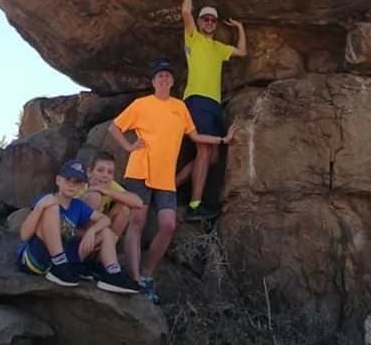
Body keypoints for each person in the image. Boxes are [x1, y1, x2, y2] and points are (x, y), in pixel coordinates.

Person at [107, 58, 236, 303]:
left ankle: (147, 276)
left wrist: (222, 141)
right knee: (137, 221)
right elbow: (114, 127)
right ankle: (135, 280)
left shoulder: (180, 107)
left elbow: (195, 135)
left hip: (165, 177)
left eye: (167, 75)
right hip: (141, 170)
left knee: (168, 224)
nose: (164, 79)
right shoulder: (141, 104)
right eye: (159, 76)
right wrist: (129, 146)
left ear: (172, 81)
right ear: (153, 81)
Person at [17, 159, 140, 294]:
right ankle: (59, 264)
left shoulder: (77, 205)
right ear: (58, 180)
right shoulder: (47, 200)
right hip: (36, 259)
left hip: (64, 261)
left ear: (82, 186)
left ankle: (112, 272)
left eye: (77, 182)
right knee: (52, 208)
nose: (71, 185)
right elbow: (24, 235)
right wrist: (40, 207)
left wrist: (91, 232)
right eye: (68, 179)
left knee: (105, 231)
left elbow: (105, 220)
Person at [176, 0, 246, 222]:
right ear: (199, 22)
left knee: (212, 157)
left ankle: (171, 186)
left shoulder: (218, 48)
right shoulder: (193, 38)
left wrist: (239, 28)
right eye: (205, 19)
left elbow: (243, 52)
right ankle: (196, 204)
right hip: (196, 100)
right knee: (203, 150)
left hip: (214, 104)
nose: (209, 22)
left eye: (213, 20)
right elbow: (186, 13)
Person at [80, 150, 144, 240]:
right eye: (100, 170)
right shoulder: (79, 185)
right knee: (95, 196)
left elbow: (138, 202)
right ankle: (84, 242)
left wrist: (106, 192)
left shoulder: (109, 185)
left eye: (109, 172)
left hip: (100, 228)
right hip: (77, 230)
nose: (105, 175)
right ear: (89, 172)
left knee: (124, 207)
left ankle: (107, 244)